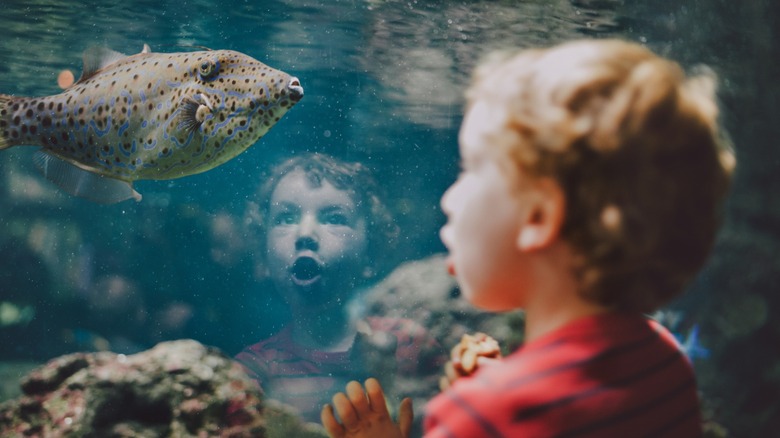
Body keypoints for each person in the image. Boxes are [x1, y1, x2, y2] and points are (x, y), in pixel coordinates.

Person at [321, 38, 735, 437]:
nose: (449, 200)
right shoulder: (663, 361)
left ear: (539, 215)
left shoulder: (479, 413)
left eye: (469, 170)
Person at [235, 153, 443, 423]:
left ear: (371, 251)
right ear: (262, 256)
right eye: (286, 218)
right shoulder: (251, 372)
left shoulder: (408, 346)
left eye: (334, 218)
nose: (305, 233)